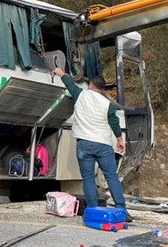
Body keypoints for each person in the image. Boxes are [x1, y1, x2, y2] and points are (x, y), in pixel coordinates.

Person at [52, 68, 132, 222]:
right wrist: (120, 140)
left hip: (84, 144)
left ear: (90, 85)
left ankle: (92, 210)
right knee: (111, 177)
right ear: (102, 89)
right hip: (103, 145)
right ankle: (122, 209)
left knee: (88, 178)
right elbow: (114, 123)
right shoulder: (108, 104)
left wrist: (61, 72)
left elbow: (69, 83)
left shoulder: (81, 94)